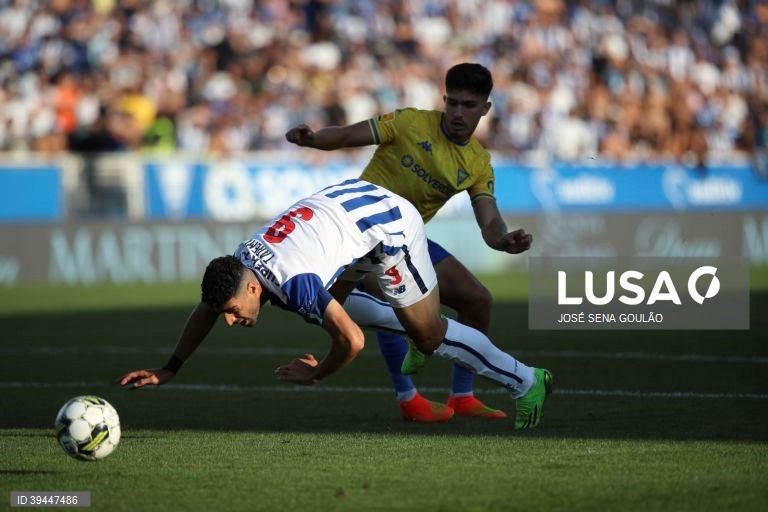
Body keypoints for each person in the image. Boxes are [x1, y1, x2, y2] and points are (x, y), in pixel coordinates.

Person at [118, 179, 553, 430]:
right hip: (344, 214)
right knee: (365, 316)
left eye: (233, 311)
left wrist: (316, 373)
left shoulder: (296, 284)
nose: (231, 321)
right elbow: (206, 309)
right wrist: (170, 366)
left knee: (428, 333)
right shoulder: (238, 266)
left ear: (252, 290)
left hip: (386, 228)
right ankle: (409, 326)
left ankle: (526, 380)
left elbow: (352, 342)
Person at [285, 63, 532, 422]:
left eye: (469, 105)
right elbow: (344, 136)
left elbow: (489, 219)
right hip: (362, 234)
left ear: (486, 109)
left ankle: (462, 396)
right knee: (392, 299)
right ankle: (408, 398)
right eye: (454, 103)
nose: (459, 113)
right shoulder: (409, 122)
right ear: (444, 100)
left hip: (406, 240)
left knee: (477, 300)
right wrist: (313, 139)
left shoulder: (478, 163)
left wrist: (504, 239)